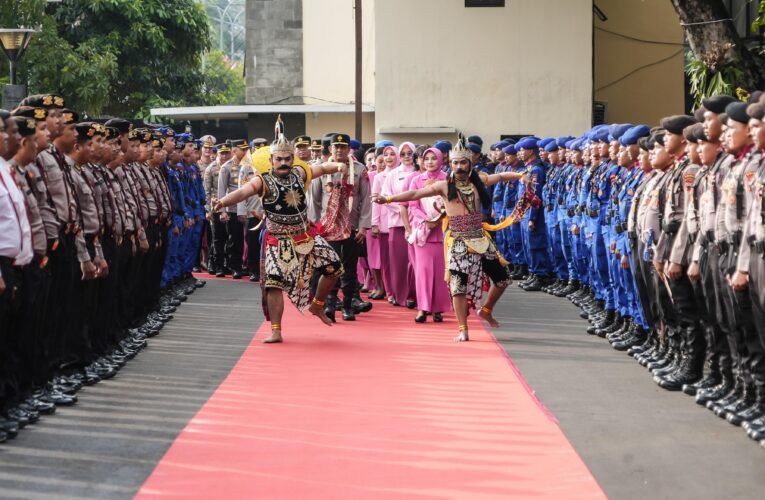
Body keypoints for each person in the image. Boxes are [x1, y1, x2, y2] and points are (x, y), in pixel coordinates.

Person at [374, 140, 528, 341]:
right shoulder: (444, 186)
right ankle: (463, 328)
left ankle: (487, 309)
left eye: (463, 163)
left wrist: (520, 176)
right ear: (451, 165)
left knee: (503, 279)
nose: (459, 167)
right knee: (458, 286)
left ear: (469, 164)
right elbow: (415, 194)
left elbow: (499, 176)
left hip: (480, 237)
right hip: (457, 240)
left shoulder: (478, 181)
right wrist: (388, 199)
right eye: (455, 164)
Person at [212, 128, 351, 343]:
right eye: (279, 159)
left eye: (288, 158)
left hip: (306, 234)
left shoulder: (300, 172)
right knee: (274, 283)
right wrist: (222, 202)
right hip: (279, 240)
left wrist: (339, 165)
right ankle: (276, 330)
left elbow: (323, 168)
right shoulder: (262, 180)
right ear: (271, 160)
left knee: (335, 267)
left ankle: (318, 304)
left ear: (292, 158)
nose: (284, 162)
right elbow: (243, 192)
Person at [407, 147, 451, 322]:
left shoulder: (447, 180)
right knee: (423, 272)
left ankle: (437, 308)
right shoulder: (417, 180)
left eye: (434, 158)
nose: (430, 162)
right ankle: (423, 308)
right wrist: (427, 220)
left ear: (441, 160)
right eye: (427, 159)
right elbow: (413, 205)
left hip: (441, 231)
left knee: (440, 273)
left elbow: (451, 203)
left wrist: (439, 220)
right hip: (423, 231)